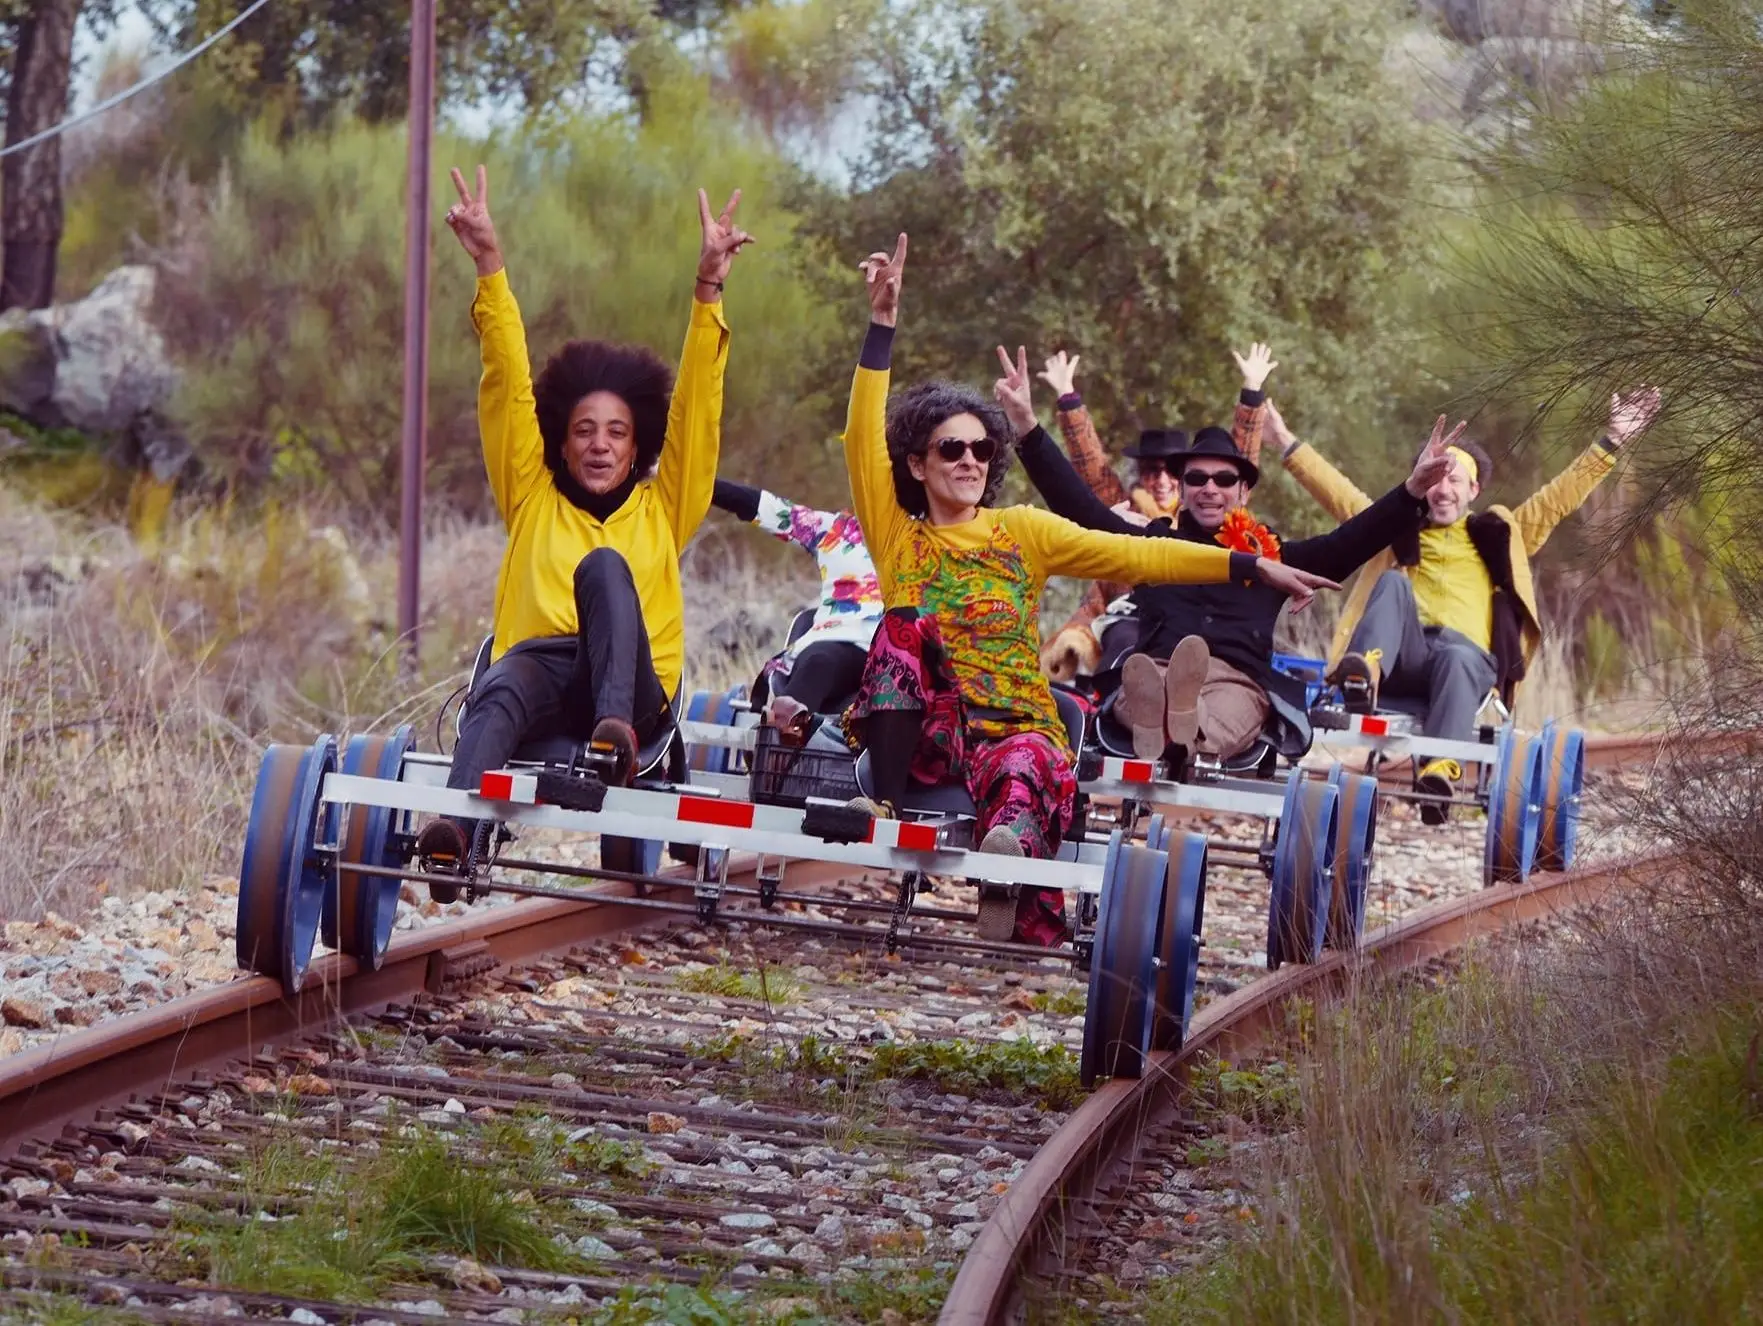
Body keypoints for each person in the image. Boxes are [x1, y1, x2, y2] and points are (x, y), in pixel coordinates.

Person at [840, 233, 1337, 945]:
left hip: (1011, 725)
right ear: (917, 464)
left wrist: (1249, 566)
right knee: (902, 626)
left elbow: (1139, 552)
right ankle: (884, 804)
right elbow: (861, 437)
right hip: (925, 731)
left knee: (1024, 769)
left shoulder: (1022, 530)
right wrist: (882, 324)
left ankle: (1006, 868)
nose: (970, 460)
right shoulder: (895, 532)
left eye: (982, 448)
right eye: (951, 448)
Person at [418, 165, 753, 891]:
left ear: (637, 448)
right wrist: (488, 263)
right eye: (584, 431)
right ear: (562, 443)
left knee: (604, 567)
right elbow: (505, 383)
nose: (600, 445)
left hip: (631, 694)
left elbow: (699, 409)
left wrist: (708, 289)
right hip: (543, 675)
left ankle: (611, 738)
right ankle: (456, 838)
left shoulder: (664, 508)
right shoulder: (531, 494)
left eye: (616, 433)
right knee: (501, 680)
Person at [1014, 369, 1457, 765]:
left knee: (1209, 711)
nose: (1210, 488)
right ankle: (1171, 722)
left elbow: (1350, 541)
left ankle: (1178, 729)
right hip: (1156, 671)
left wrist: (1413, 489)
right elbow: (1083, 510)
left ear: (1243, 492)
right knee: (1140, 691)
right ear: (1183, 490)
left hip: (1236, 682)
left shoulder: (1272, 557)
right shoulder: (1152, 545)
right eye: (1197, 478)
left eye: (1224, 479)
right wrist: (1029, 431)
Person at [1269, 388, 1662, 818]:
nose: (1442, 490)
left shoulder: (1500, 535)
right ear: (1420, 485)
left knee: (1456, 654)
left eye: (1454, 480)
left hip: (1465, 664)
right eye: (1433, 478)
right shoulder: (1394, 530)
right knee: (1393, 584)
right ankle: (1363, 676)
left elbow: (1556, 499)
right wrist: (1285, 441)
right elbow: (1338, 494)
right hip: (1403, 660)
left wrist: (1612, 440)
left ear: (1473, 488)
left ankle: (1439, 774)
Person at [1037, 344, 1275, 681]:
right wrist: (1067, 396)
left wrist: (1252, 392)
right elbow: (1090, 464)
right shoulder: (1123, 508)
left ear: (1183, 478)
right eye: (1151, 471)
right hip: (1127, 618)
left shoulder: (1208, 514)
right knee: (1124, 645)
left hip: (1190, 620)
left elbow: (1238, 465)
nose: (1161, 481)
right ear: (1141, 475)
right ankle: (1114, 707)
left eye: (1169, 472)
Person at [708, 478, 883, 737]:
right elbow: (763, 507)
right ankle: (776, 748)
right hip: (837, 648)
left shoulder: (926, 542)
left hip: (900, 657)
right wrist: (695, 481)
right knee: (819, 662)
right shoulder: (834, 531)